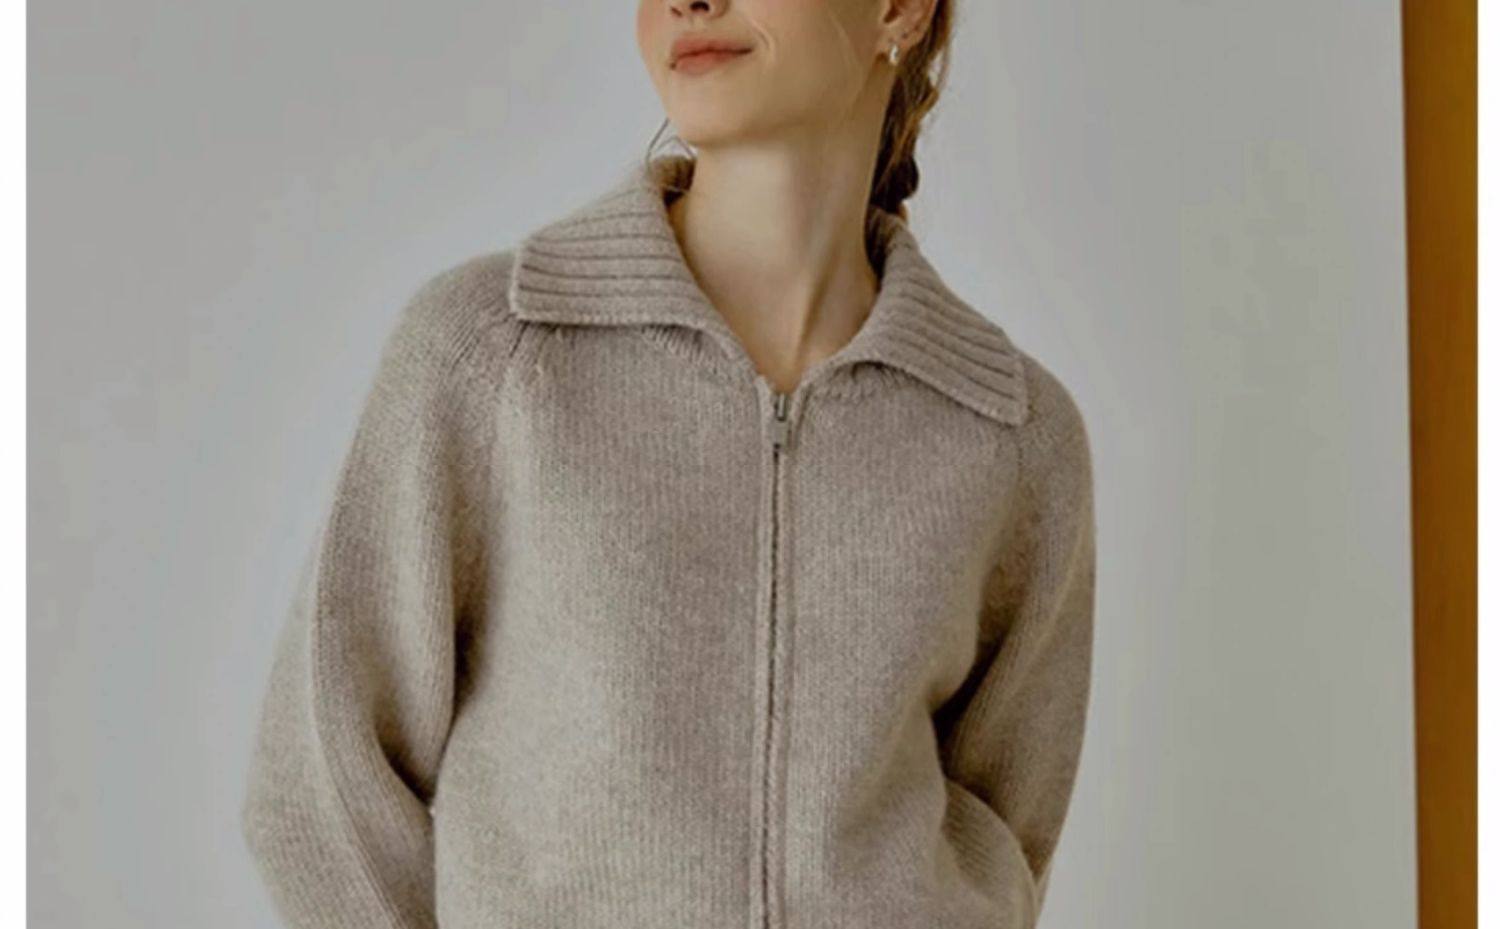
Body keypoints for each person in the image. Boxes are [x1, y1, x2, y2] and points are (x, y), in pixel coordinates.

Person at [238, 1, 1097, 928]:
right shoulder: (496, 357)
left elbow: (1007, 836)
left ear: (900, 9)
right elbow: (319, 789)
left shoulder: (1007, 429)